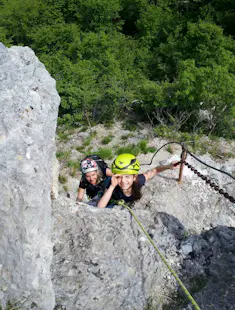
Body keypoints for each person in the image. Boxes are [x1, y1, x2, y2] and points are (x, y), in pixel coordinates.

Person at [97, 153, 179, 208]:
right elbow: (100, 207)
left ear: (134, 177)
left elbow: (153, 171)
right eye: (119, 177)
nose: (123, 181)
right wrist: (112, 187)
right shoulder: (112, 185)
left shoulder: (138, 181)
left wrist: (169, 166)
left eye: (127, 177)